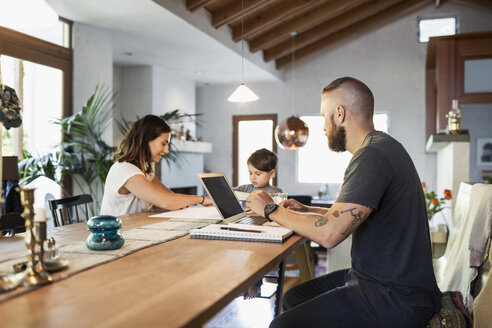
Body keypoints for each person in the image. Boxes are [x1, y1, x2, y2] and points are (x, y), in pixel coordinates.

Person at [247, 77, 441, 327]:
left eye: (323, 116)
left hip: (397, 296)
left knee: (281, 325)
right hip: (376, 280)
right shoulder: (381, 146)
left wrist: (269, 209)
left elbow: (329, 234)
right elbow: (351, 215)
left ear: (339, 113)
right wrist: (307, 209)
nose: (323, 127)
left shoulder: (371, 156)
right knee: (295, 297)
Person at [100, 115, 213, 217]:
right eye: (163, 144)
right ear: (145, 140)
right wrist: (201, 199)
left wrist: (185, 203)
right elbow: (165, 201)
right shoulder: (125, 169)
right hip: (114, 236)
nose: (166, 150)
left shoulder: (144, 172)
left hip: (132, 229)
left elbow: (169, 196)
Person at [233, 148, 283, 299]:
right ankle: (239, 281)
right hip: (243, 227)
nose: (253, 177)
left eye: (258, 174)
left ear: (272, 173)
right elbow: (229, 194)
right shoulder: (244, 188)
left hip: (264, 231)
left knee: (256, 252)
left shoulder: (276, 192)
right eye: (250, 173)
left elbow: (279, 214)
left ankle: (255, 282)